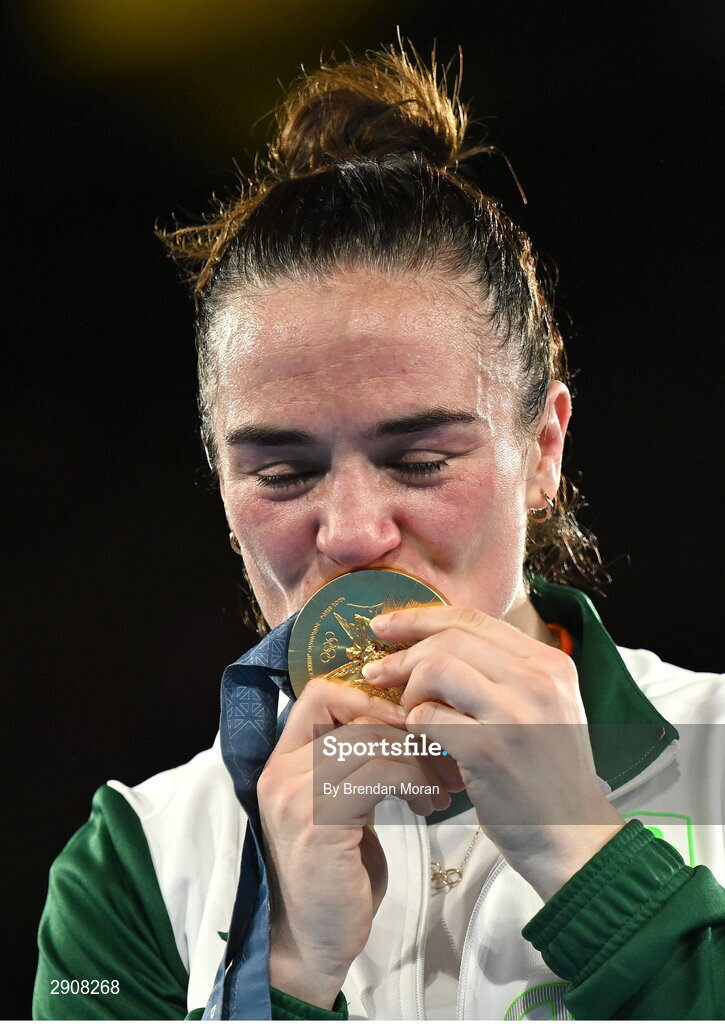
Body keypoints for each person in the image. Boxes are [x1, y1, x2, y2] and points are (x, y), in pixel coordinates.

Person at [34, 44, 724, 1021]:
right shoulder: (135, 867)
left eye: (418, 459)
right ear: (221, 488)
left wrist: (589, 869)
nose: (353, 532)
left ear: (540, 449)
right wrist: (281, 980)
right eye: (282, 471)